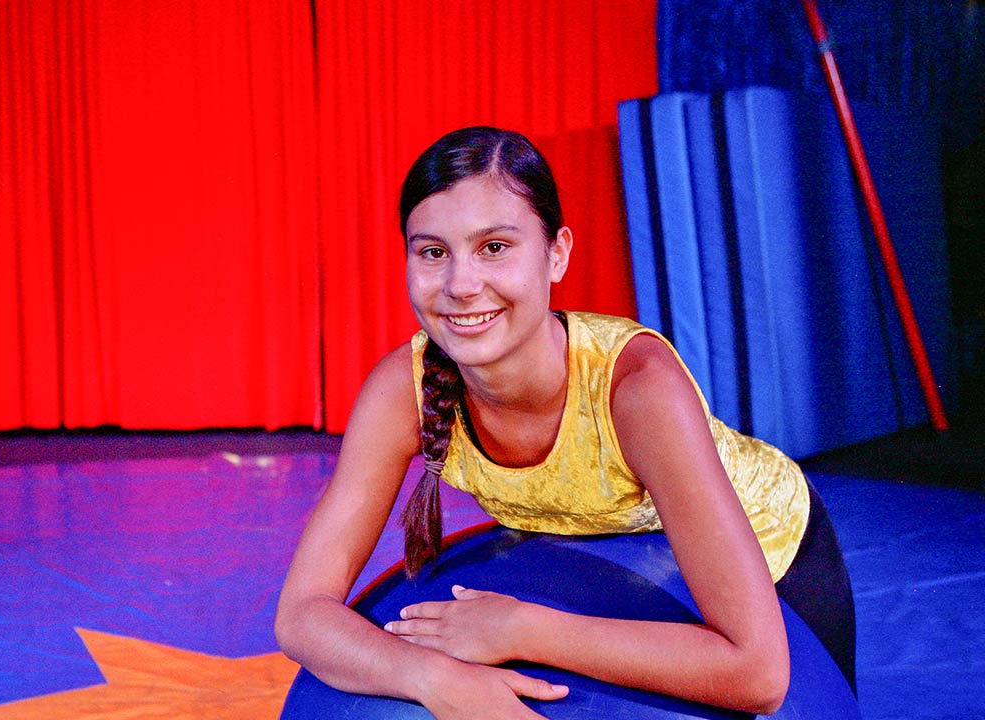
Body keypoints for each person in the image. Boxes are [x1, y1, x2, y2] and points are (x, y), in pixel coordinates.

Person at [275, 126, 855, 719]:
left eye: (494, 247)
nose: (461, 285)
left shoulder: (638, 389)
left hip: (772, 558)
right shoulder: (403, 389)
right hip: (608, 566)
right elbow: (300, 614)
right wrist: (437, 679)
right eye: (433, 253)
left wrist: (521, 630)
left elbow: (758, 674)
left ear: (557, 253)